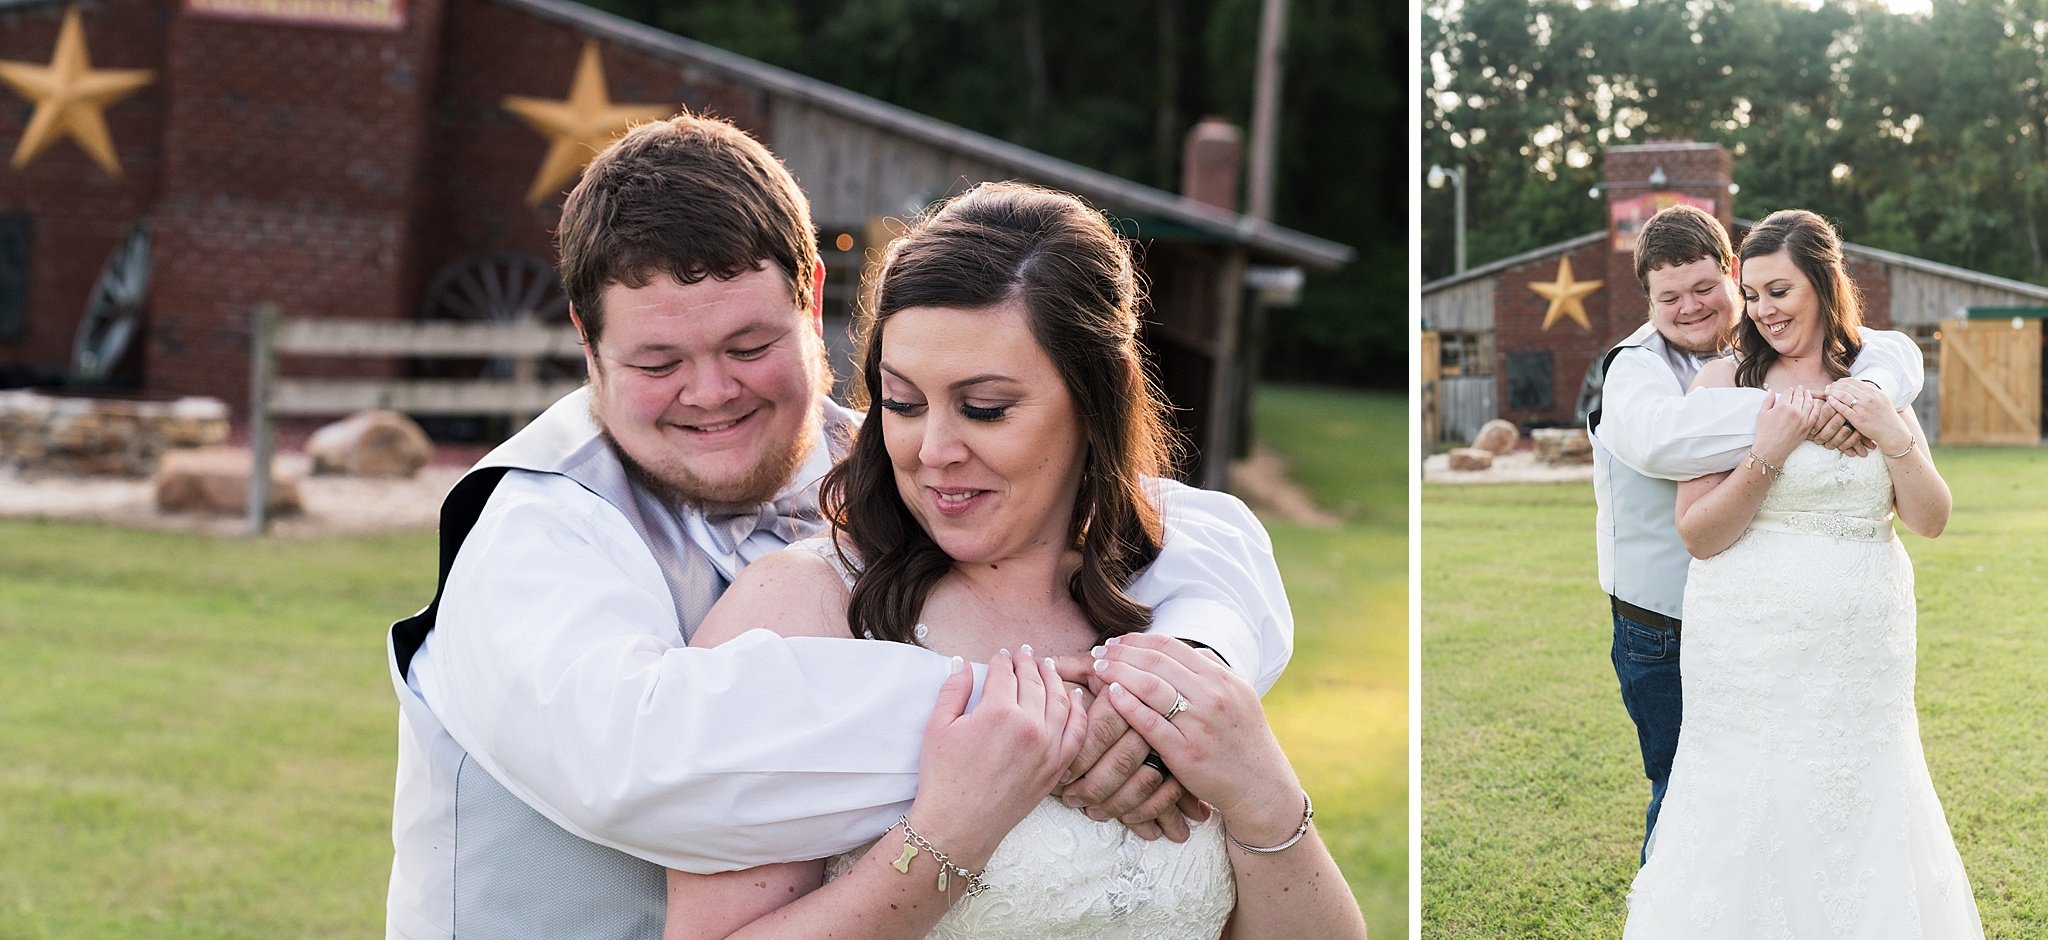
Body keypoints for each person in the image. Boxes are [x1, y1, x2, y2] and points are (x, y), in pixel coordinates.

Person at [384, 113, 1295, 939]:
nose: (712, 392)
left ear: (813, 298)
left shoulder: (897, 456)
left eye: (749, 347)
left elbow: (1186, 531)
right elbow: (646, 760)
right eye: (659, 360)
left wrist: (1198, 664)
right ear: (587, 341)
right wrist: (1042, 714)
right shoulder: (532, 530)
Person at [665, 181, 1367, 940]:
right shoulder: (798, 613)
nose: (933, 451)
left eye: (986, 408)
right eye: (901, 402)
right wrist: (951, 835)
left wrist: (1264, 791)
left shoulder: (1170, 598)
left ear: (1102, 398)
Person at [1623, 209, 1981, 936]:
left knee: (1860, 793)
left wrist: (1890, 434)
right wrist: (1767, 454)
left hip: (1860, 640)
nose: (1763, 311)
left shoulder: (1876, 380)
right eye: (1752, 294)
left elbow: (1932, 517)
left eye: (1778, 291)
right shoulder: (1725, 380)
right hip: (1749, 641)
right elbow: (1697, 533)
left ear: (1823, 283)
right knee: (1750, 795)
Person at [1587, 204, 1923, 860]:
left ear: (1732, 274)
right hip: (1662, 618)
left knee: (1787, 790)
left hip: (1776, 624)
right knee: (1690, 790)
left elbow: (1896, 353)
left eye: (1706, 288)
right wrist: (1821, 408)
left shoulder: (1791, 349)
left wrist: (1868, 389)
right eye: (1669, 297)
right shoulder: (1634, 369)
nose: (1690, 307)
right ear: (1647, 299)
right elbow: (1665, 443)